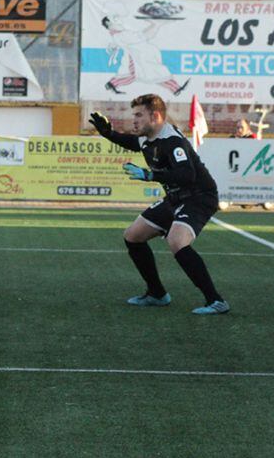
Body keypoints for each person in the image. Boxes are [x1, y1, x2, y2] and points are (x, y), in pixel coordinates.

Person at [90, 94, 230, 315]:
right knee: (133, 235)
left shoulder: (172, 141)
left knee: (177, 240)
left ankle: (216, 300)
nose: (133, 120)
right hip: (175, 198)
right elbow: (130, 142)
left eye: (138, 115)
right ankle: (157, 294)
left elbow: (187, 174)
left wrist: (149, 175)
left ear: (155, 116)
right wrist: (108, 133)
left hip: (199, 197)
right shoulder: (148, 137)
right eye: (133, 115)